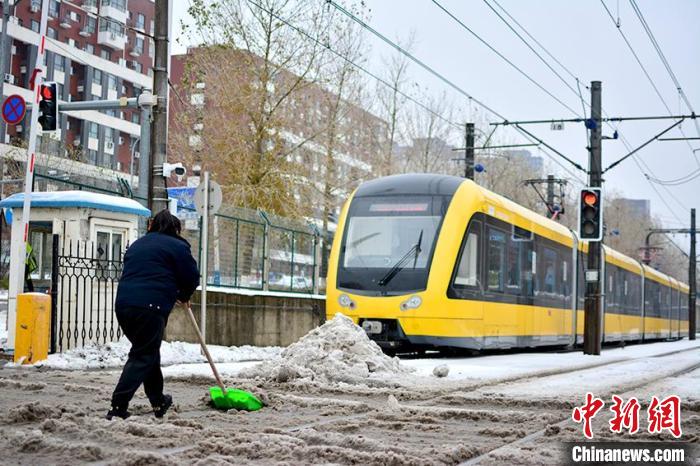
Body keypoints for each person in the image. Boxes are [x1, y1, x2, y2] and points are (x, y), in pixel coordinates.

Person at [107, 209, 199, 420]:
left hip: (124, 306)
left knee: (148, 352)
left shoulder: (138, 244)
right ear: (176, 229)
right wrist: (183, 295)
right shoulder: (178, 245)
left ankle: (158, 401)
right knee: (143, 355)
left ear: (153, 226)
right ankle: (118, 406)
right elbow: (192, 276)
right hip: (150, 307)